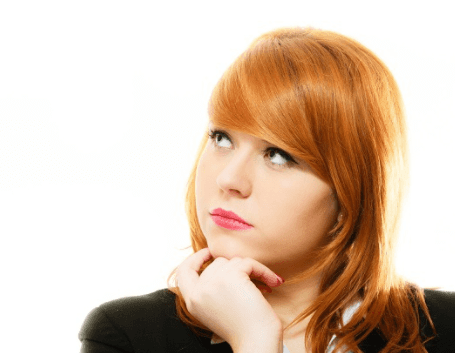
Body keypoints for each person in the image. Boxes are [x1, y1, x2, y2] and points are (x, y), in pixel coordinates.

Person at [78, 27, 455, 353]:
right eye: (221, 138)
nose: (229, 179)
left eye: (278, 155)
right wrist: (254, 339)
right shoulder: (129, 336)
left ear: (351, 191)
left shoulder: (446, 328)